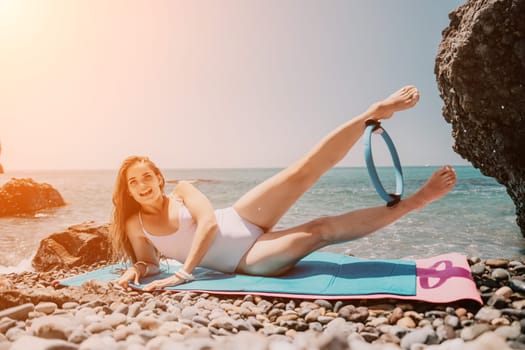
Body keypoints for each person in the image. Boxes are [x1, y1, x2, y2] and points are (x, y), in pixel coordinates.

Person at [111, 86, 457, 292]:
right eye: (133, 182)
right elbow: (149, 262)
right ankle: (416, 201)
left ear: (159, 178)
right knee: (320, 229)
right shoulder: (135, 224)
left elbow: (209, 224)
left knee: (302, 170)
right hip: (247, 257)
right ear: (128, 190)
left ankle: (372, 113)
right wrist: (137, 270)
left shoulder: (184, 189)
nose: (142, 185)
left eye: (147, 177)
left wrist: (185, 274)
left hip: (239, 217)